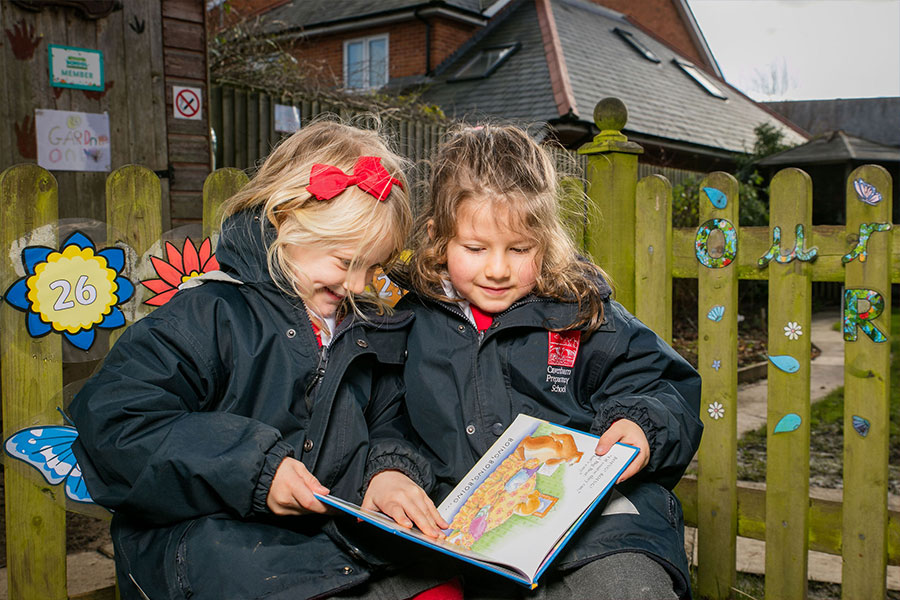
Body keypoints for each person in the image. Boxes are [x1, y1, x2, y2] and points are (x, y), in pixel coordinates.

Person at [69, 120, 455, 600]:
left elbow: (392, 415)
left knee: (439, 579)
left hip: (326, 538)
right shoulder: (210, 314)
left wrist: (390, 469)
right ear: (284, 221)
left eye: (373, 268)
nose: (359, 286)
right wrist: (253, 468)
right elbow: (115, 421)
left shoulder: (365, 326)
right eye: (343, 261)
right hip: (209, 540)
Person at [398, 124, 703, 599]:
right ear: (438, 240)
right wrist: (391, 467)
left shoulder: (582, 311)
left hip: (594, 530)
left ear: (545, 239)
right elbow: (378, 414)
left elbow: (661, 383)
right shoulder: (405, 320)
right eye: (476, 249)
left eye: (519, 249)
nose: (498, 269)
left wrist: (641, 423)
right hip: (458, 529)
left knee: (626, 588)